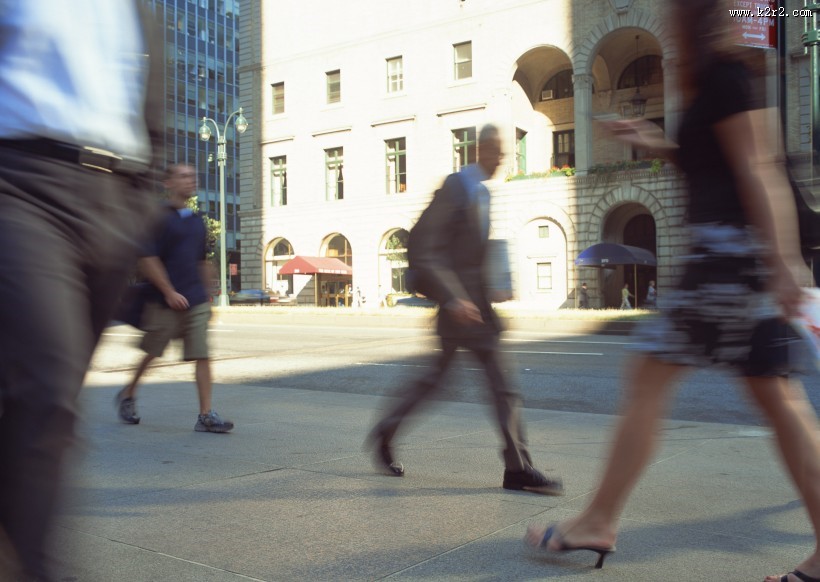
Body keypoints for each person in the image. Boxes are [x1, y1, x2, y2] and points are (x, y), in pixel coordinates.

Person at [525, 2, 820, 581]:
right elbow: (717, 164)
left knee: (653, 381)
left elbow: (759, 166)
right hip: (734, 262)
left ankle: (598, 520)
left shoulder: (727, 76)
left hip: (723, 262)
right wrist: (652, 140)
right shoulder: (721, 76)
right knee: (778, 402)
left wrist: (786, 261)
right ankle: (599, 518)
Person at [0, 3, 165, 579]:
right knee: (47, 394)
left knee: (39, 405)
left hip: (113, 201)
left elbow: (152, 110)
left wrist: (142, 196)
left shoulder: (139, 8)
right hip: (20, 183)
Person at [367, 125, 563, 495]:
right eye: (499, 152)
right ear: (481, 148)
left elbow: (469, 252)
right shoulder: (456, 186)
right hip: (458, 311)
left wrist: (492, 286)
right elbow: (424, 245)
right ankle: (517, 468)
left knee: (476, 385)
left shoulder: (482, 193)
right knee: (479, 385)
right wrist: (454, 296)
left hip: (476, 310)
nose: (503, 160)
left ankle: (516, 467)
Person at [116, 164, 234, 434]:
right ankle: (128, 394)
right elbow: (147, 258)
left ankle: (205, 415)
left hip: (195, 299)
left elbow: (202, 262)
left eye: (193, 175)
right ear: (168, 182)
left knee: (202, 354)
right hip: (163, 300)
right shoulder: (157, 217)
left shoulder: (196, 220)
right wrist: (168, 291)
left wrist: (209, 295)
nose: (190, 179)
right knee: (152, 352)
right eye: (183, 176)